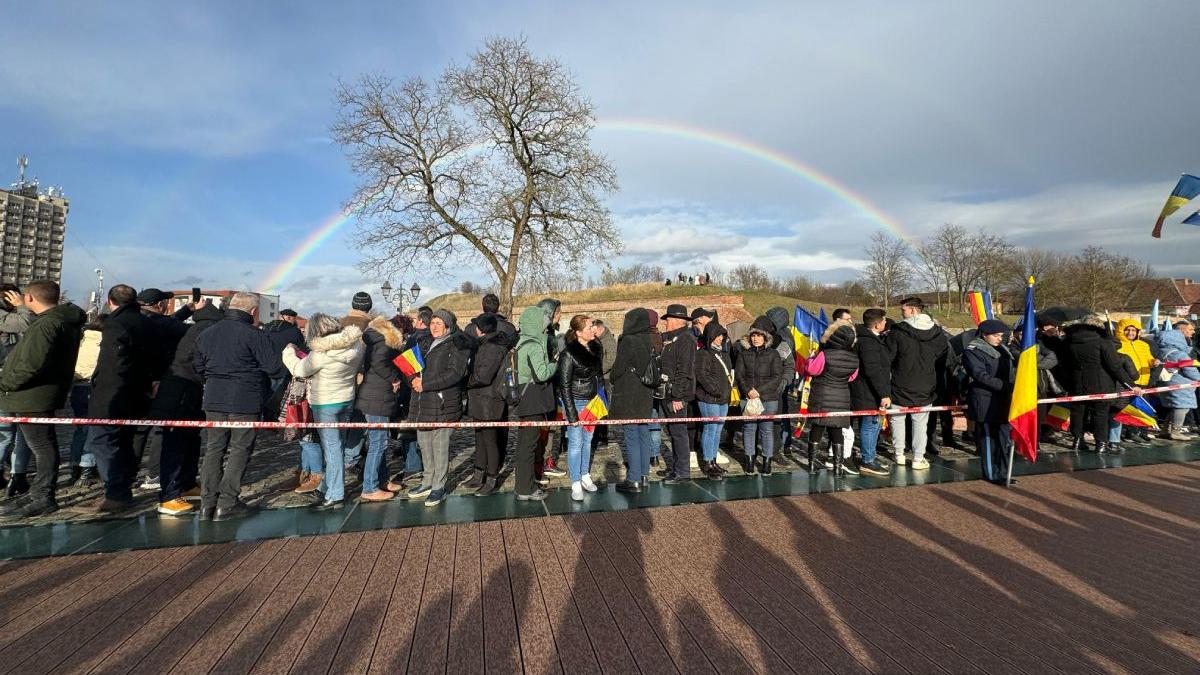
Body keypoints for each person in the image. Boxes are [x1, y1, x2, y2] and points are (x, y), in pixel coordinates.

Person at [195, 292, 287, 520]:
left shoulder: (207, 333)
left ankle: (207, 504)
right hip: (245, 399)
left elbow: (197, 366)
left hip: (214, 398)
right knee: (239, 449)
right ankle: (227, 503)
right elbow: (274, 368)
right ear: (254, 312)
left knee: (213, 449)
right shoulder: (255, 335)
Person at [0, 281, 85, 517]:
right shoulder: (60, 321)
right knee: (39, 444)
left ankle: (43, 496)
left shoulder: (47, 324)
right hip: (36, 394)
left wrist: (5, 383)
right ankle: (38, 491)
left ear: (29, 298)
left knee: (41, 446)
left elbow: (31, 364)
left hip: (32, 395)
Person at [77, 285, 157, 514]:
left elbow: (114, 364)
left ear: (110, 301)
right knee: (123, 443)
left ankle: (116, 493)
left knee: (101, 441)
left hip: (113, 396)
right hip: (138, 394)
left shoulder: (115, 324)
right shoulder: (146, 322)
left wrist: (105, 392)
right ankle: (121, 489)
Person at [282, 314, 365, 509]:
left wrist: (288, 351)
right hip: (347, 399)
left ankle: (335, 494)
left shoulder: (320, 354)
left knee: (332, 449)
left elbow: (299, 370)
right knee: (339, 446)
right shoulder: (356, 347)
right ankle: (326, 486)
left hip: (325, 403)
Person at [153, 300, 223, 516]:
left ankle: (187, 484)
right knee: (175, 443)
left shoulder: (192, 329)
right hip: (180, 394)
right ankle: (169, 495)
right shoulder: (207, 333)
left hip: (189, 392)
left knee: (191, 440)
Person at [133, 288, 202, 489]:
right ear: (160, 305)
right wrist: (205, 316)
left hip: (138, 382)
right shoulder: (163, 325)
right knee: (161, 431)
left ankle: (128, 475)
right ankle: (155, 474)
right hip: (162, 381)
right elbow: (190, 331)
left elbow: (169, 321)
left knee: (137, 431)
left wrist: (187, 310)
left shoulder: (138, 320)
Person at [405, 310, 471, 507]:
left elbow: (454, 374)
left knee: (439, 446)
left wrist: (426, 384)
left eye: (439, 323)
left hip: (443, 403)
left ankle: (438, 486)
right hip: (420, 402)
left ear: (448, 326)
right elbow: (410, 365)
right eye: (432, 322)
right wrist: (413, 381)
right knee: (424, 444)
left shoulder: (457, 345)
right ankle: (427, 481)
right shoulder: (423, 342)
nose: (434, 326)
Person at [887, 297, 949, 470]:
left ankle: (899, 453)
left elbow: (888, 358)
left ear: (913, 310)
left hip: (901, 381)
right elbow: (942, 358)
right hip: (926, 383)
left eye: (904, 310)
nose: (901, 313)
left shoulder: (897, 332)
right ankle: (918, 457)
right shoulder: (938, 333)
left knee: (897, 420)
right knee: (921, 423)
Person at [349, 315, 406, 502]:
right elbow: (379, 362)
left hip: (373, 395)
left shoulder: (374, 339)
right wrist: (394, 378)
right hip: (377, 397)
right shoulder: (383, 342)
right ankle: (370, 487)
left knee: (378, 441)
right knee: (378, 443)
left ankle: (382, 479)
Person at [1063, 315, 1138, 453]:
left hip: (1077, 384)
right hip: (1101, 384)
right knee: (1100, 415)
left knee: (1078, 413)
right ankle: (1101, 444)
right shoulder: (1103, 343)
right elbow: (1115, 367)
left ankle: (1077, 441)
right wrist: (1131, 385)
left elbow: (1066, 365)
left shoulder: (1070, 342)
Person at [555, 315, 605, 500]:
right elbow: (564, 386)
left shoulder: (595, 348)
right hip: (575, 402)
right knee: (576, 443)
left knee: (588, 441)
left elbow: (599, 377)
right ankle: (575, 481)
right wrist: (571, 413)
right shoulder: (568, 354)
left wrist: (602, 400)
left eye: (593, 326)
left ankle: (585, 475)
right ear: (578, 332)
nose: (593, 329)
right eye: (589, 327)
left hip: (593, 402)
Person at [513, 302, 559, 501]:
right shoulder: (534, 345)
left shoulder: (521, 342)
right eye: (543, 320)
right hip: (533, 399)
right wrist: (554, 363)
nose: (546, 324)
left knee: (524, 445)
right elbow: (541, 374)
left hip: (524, 397)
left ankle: (523, 485)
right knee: (529, 446)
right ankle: (526, 488)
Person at [464, 313, 514, 496]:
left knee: (490, 441)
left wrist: (466, 381)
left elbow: (484, 376)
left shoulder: (493, 347)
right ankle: (479, 474)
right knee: (480, 438)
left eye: (476, 325)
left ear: (481, 329)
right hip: (481, 398)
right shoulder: (486, 344)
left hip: (489, 399)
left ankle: (492, 478)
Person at [963, 320, 1016, 484]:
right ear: (984, 335)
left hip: (1003, 400)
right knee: (988, 440)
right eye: (995, 336)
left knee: (1003, 439)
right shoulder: (973, 351)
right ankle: (991, 474)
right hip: (984, 400)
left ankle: (1004, 472)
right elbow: (980, 375)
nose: (999, 339)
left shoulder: (1004, 350)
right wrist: (1005, 386)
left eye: (1001, 336)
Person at [609, 308, 657, 493]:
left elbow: (618, 369)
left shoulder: (629, 341)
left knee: (631, 435)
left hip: (629, 394)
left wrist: (613, 377)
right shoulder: (649, 340)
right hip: (645, 394)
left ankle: (633, 479)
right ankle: (644, 475)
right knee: (643, 433)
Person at [805, 320, 861, 476]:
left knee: (817, 429)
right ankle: (838, 466)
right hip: (842, 397)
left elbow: (812, 370)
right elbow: (851, 378)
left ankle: (811, 464)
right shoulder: (854, 358)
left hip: (822, 396)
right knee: (837, 431)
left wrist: (810, 358)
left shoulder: (825, 355)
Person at [736, 316, 784, 474]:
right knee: (749, 429)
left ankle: (767, 462)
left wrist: (759, 391)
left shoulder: (773, 355)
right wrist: (748, 390)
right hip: (747, 397)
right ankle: (749, 461)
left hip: (768, 398)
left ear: (765, 337)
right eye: (753, 335)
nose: (756, 339)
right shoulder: (744, 354)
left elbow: (777, 376)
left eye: (759, 335)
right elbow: (739, 375)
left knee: (767, 430)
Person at [849, 309, 892, 476]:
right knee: (870, 426)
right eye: (883, 320)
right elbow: (873, 370)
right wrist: (883, 394)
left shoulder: (868, 339)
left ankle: (870, 457)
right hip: (868, 392)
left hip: (865, 390)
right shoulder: (869, 342)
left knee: (871, 425)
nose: (885, 323)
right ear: (877, 324)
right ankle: (868, 460)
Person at [0, 284, 32, 497]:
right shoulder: (7, 316)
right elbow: (26, 322)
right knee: (13, 433)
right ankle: (17, 476)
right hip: (9, 382)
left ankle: (17, 476)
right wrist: (22, 306)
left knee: (11, 433)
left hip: (14, 380)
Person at [659, 304, 696, 484]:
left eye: (668, 319)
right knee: (673, 433)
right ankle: (676, 468)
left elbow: (684, 370)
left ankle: (682, 472)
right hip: (669, 392)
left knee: (679, 434)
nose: (665, 323)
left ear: (676, 321)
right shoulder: (673, 338)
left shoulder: (685, 340)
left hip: (676, 395)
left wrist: (678, 396)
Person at [66, 314, 103, 487]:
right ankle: (87, 467)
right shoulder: (103, 343)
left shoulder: (79, 341)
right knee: (92, 429)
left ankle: (74, 465)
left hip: (77, 387)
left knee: (80, 428)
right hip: (93, 387)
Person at [694, 321, 732, 480]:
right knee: (710, 429)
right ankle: (707, 462)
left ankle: (713, 460)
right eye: (717, 335)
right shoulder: (703, 353)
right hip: (709, 398)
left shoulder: (724, 353)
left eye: (722, 335)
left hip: (723, 398)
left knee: (718, 430)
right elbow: (702, 375)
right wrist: (715, 390)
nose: (719, 338)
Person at [1154, 321, 1200, 441]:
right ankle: (1176, 431)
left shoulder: (1161, 351)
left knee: (1174, 407)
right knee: (1182, 407)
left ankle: (1165, 430)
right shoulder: (1180, 354)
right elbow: (1190, 370)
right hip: (1181, 385)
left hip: (1167, 383)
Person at [1115, 318, 1155, 446]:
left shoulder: (1144, 345)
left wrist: (1153, 362)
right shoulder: (1117, 344)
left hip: (1144, 379)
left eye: (1133, 330)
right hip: (1128, 381)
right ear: (1122, 330)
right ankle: (1130, 433)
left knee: (1142, 408)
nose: (1131, 332)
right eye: (1128, 330)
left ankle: (1141, 432)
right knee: (1129, 408)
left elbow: (1149, 359)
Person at [764, 306, 797, 451]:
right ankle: (783, 442)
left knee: (780, 413)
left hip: (779, 382)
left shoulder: (784, 338)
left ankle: (783, 443)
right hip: (778, 381)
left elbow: (786, 363)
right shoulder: (784, 333)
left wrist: (783, 382)